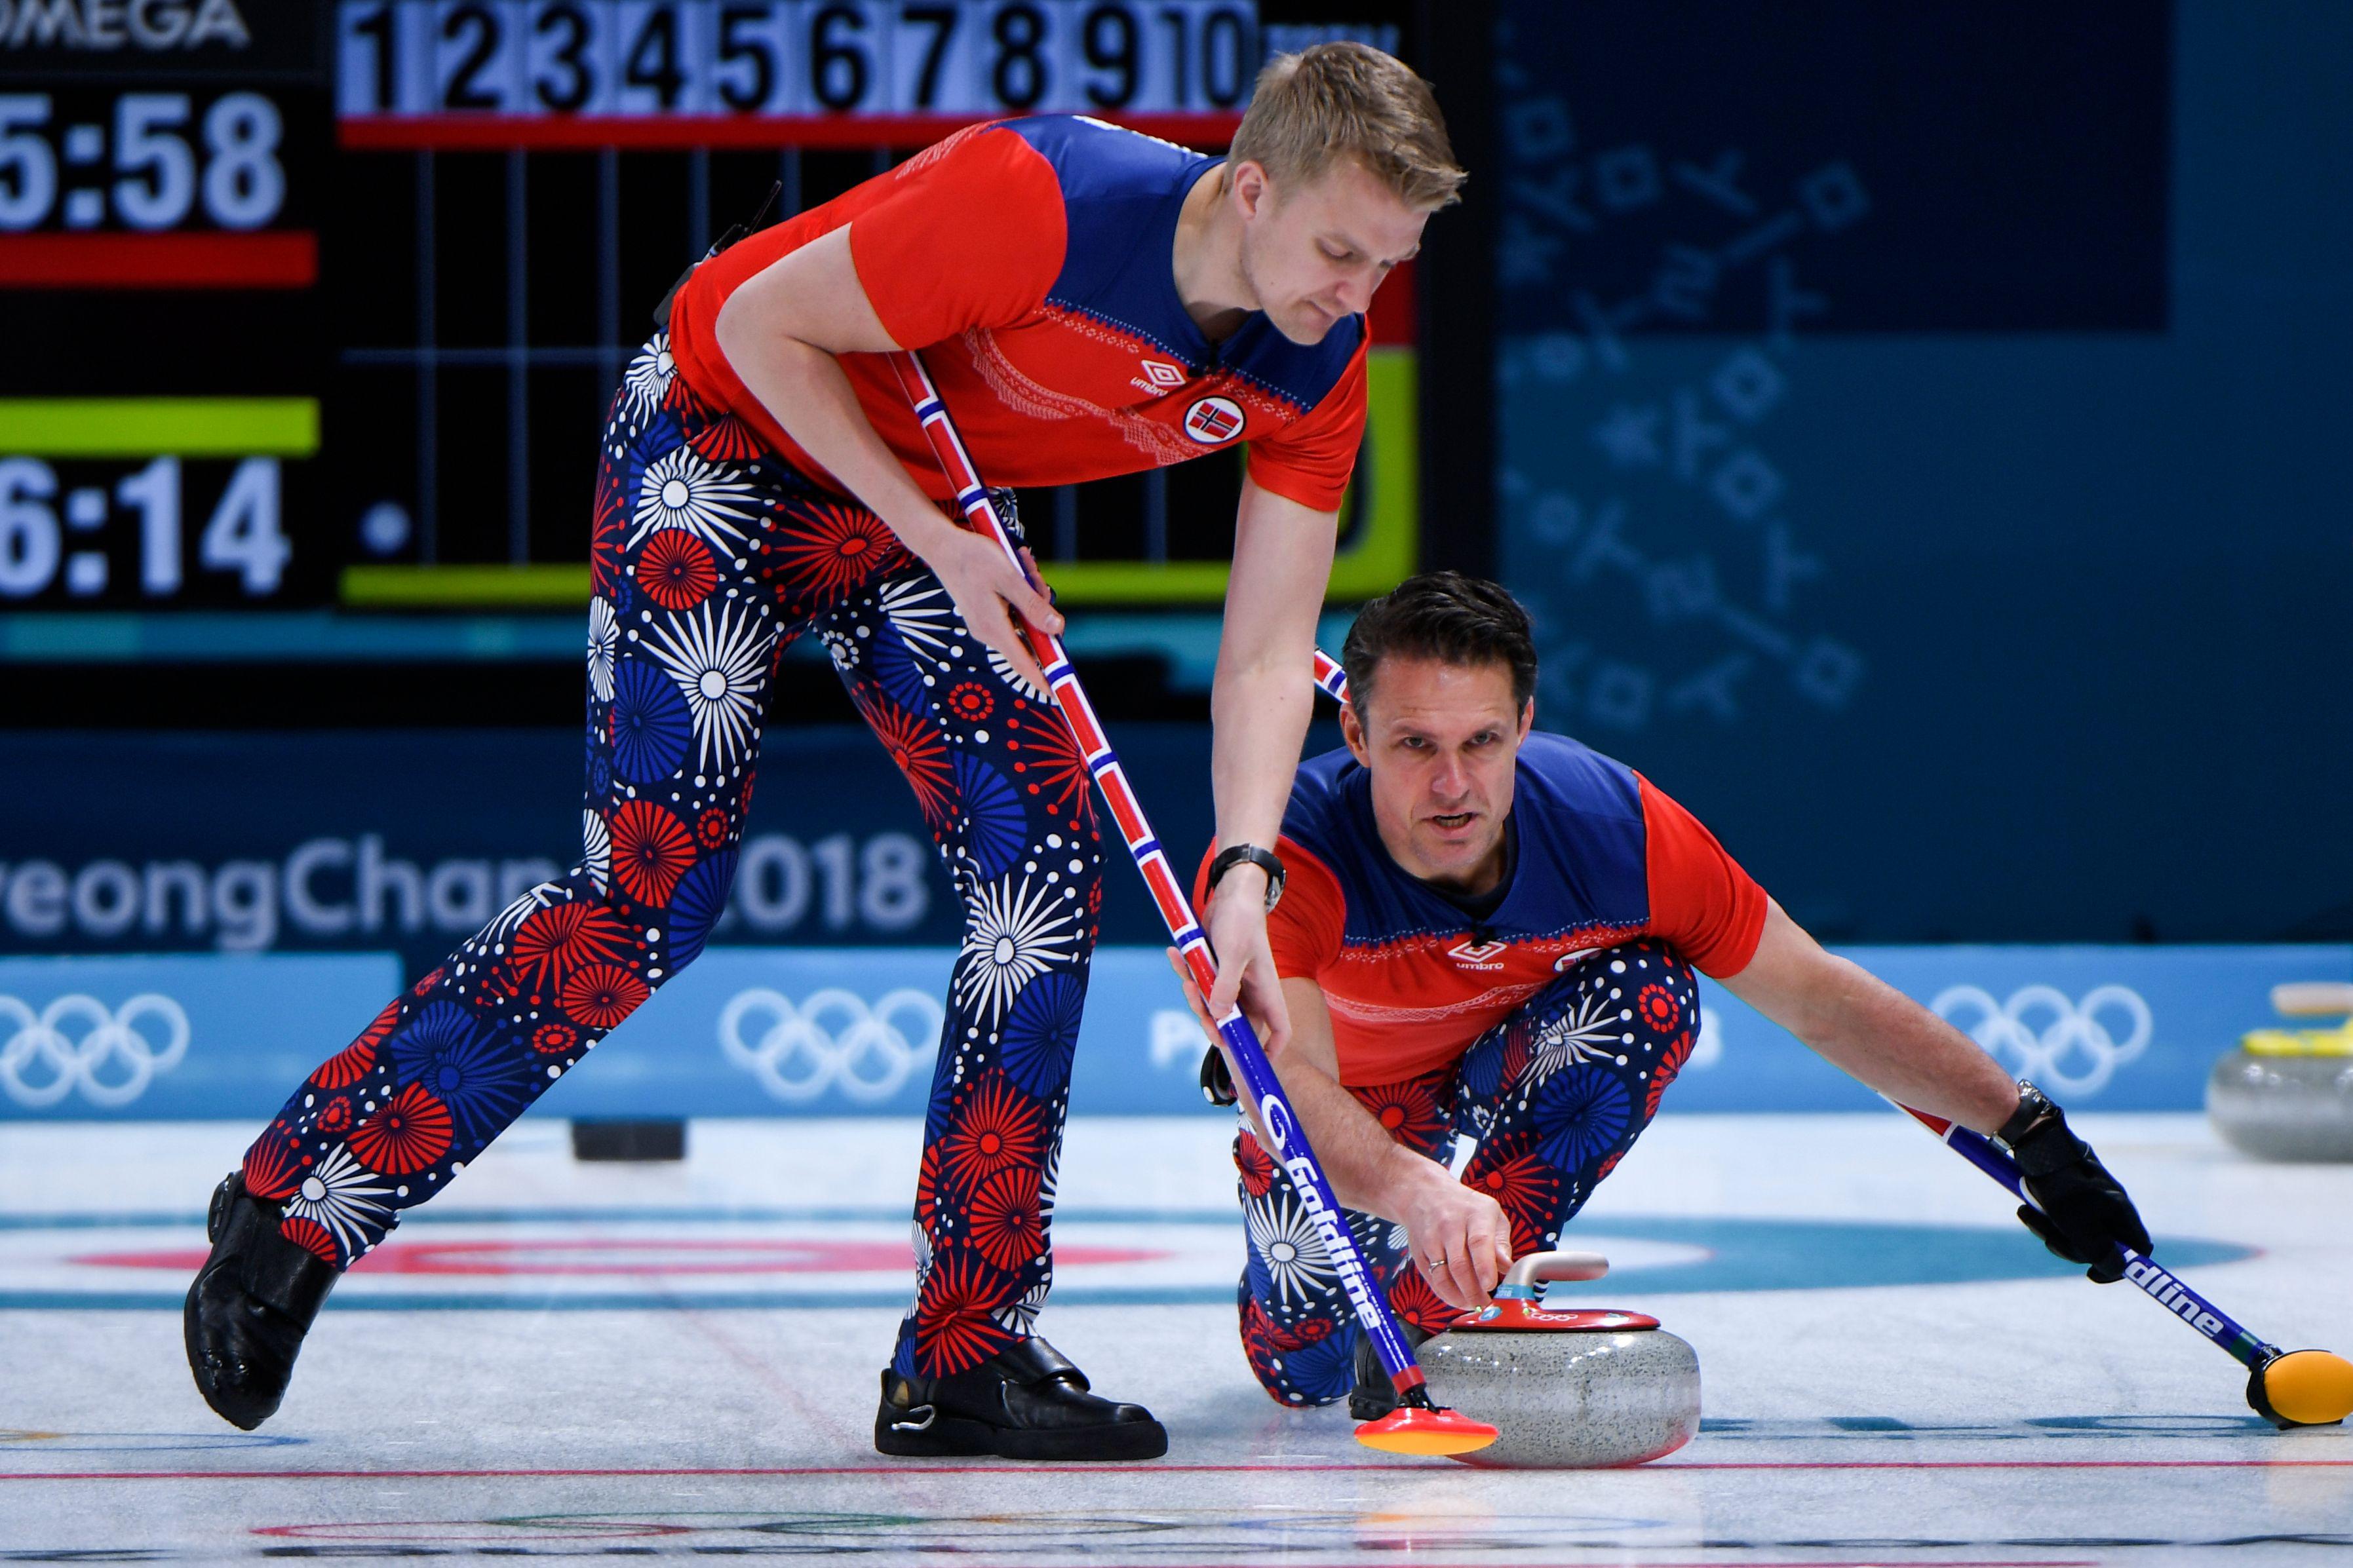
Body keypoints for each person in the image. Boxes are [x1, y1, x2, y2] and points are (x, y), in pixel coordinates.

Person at [184, 44, 1465, 1462]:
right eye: (1341, 252)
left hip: (915, 494)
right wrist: (934, 540)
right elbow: (744, 322)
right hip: (726, 429)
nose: (1356, 298)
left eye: (1387, 268)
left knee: (1040, 880)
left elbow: (1267, 658)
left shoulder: (1316, 363)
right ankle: (298, 1197)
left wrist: (1242, 869)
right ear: (1249, 186)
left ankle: (964, 1358)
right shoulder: (1036, 198)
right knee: (646, 901)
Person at [1175, 573, 2152, 1413]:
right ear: (1351, 730)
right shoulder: (1277, 856)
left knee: (1649, 994)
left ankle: (1436, 1315)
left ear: (1524, 722)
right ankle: (1350, 1301)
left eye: (1480, 740)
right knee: (1301, 1366)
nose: (1453, 785)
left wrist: (2027, 1129)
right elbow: (1287, 1084)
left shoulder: (1614, 827)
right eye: (1414, 745)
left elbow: (1816, 997)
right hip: (1350, 1106)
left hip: (1501, 1058)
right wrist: (1410, 1185)